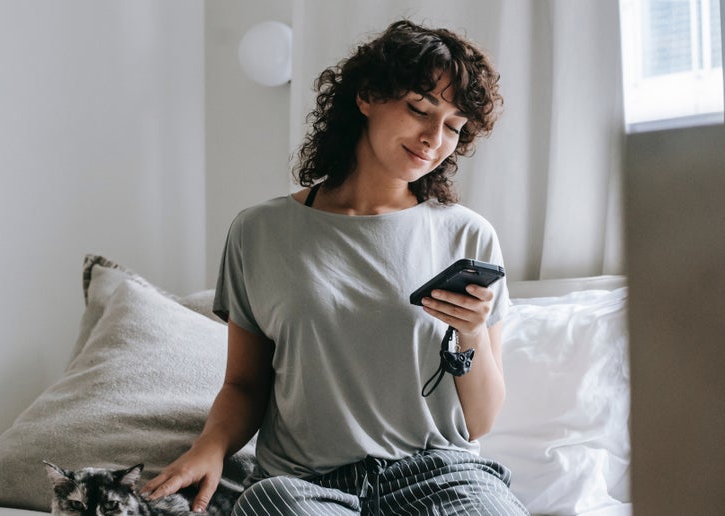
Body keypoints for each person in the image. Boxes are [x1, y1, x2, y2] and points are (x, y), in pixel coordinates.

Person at [141, 19, 528, 515]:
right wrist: (209, 448)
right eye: (420, 108)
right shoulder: (258, 233)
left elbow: (479, 422)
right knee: (268, 505)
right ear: (366, 96)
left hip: (442, 476)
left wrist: (471, 334)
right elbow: (244, 384)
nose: (435, 137)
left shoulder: (468, 235)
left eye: (454, 127)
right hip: (304, 486)